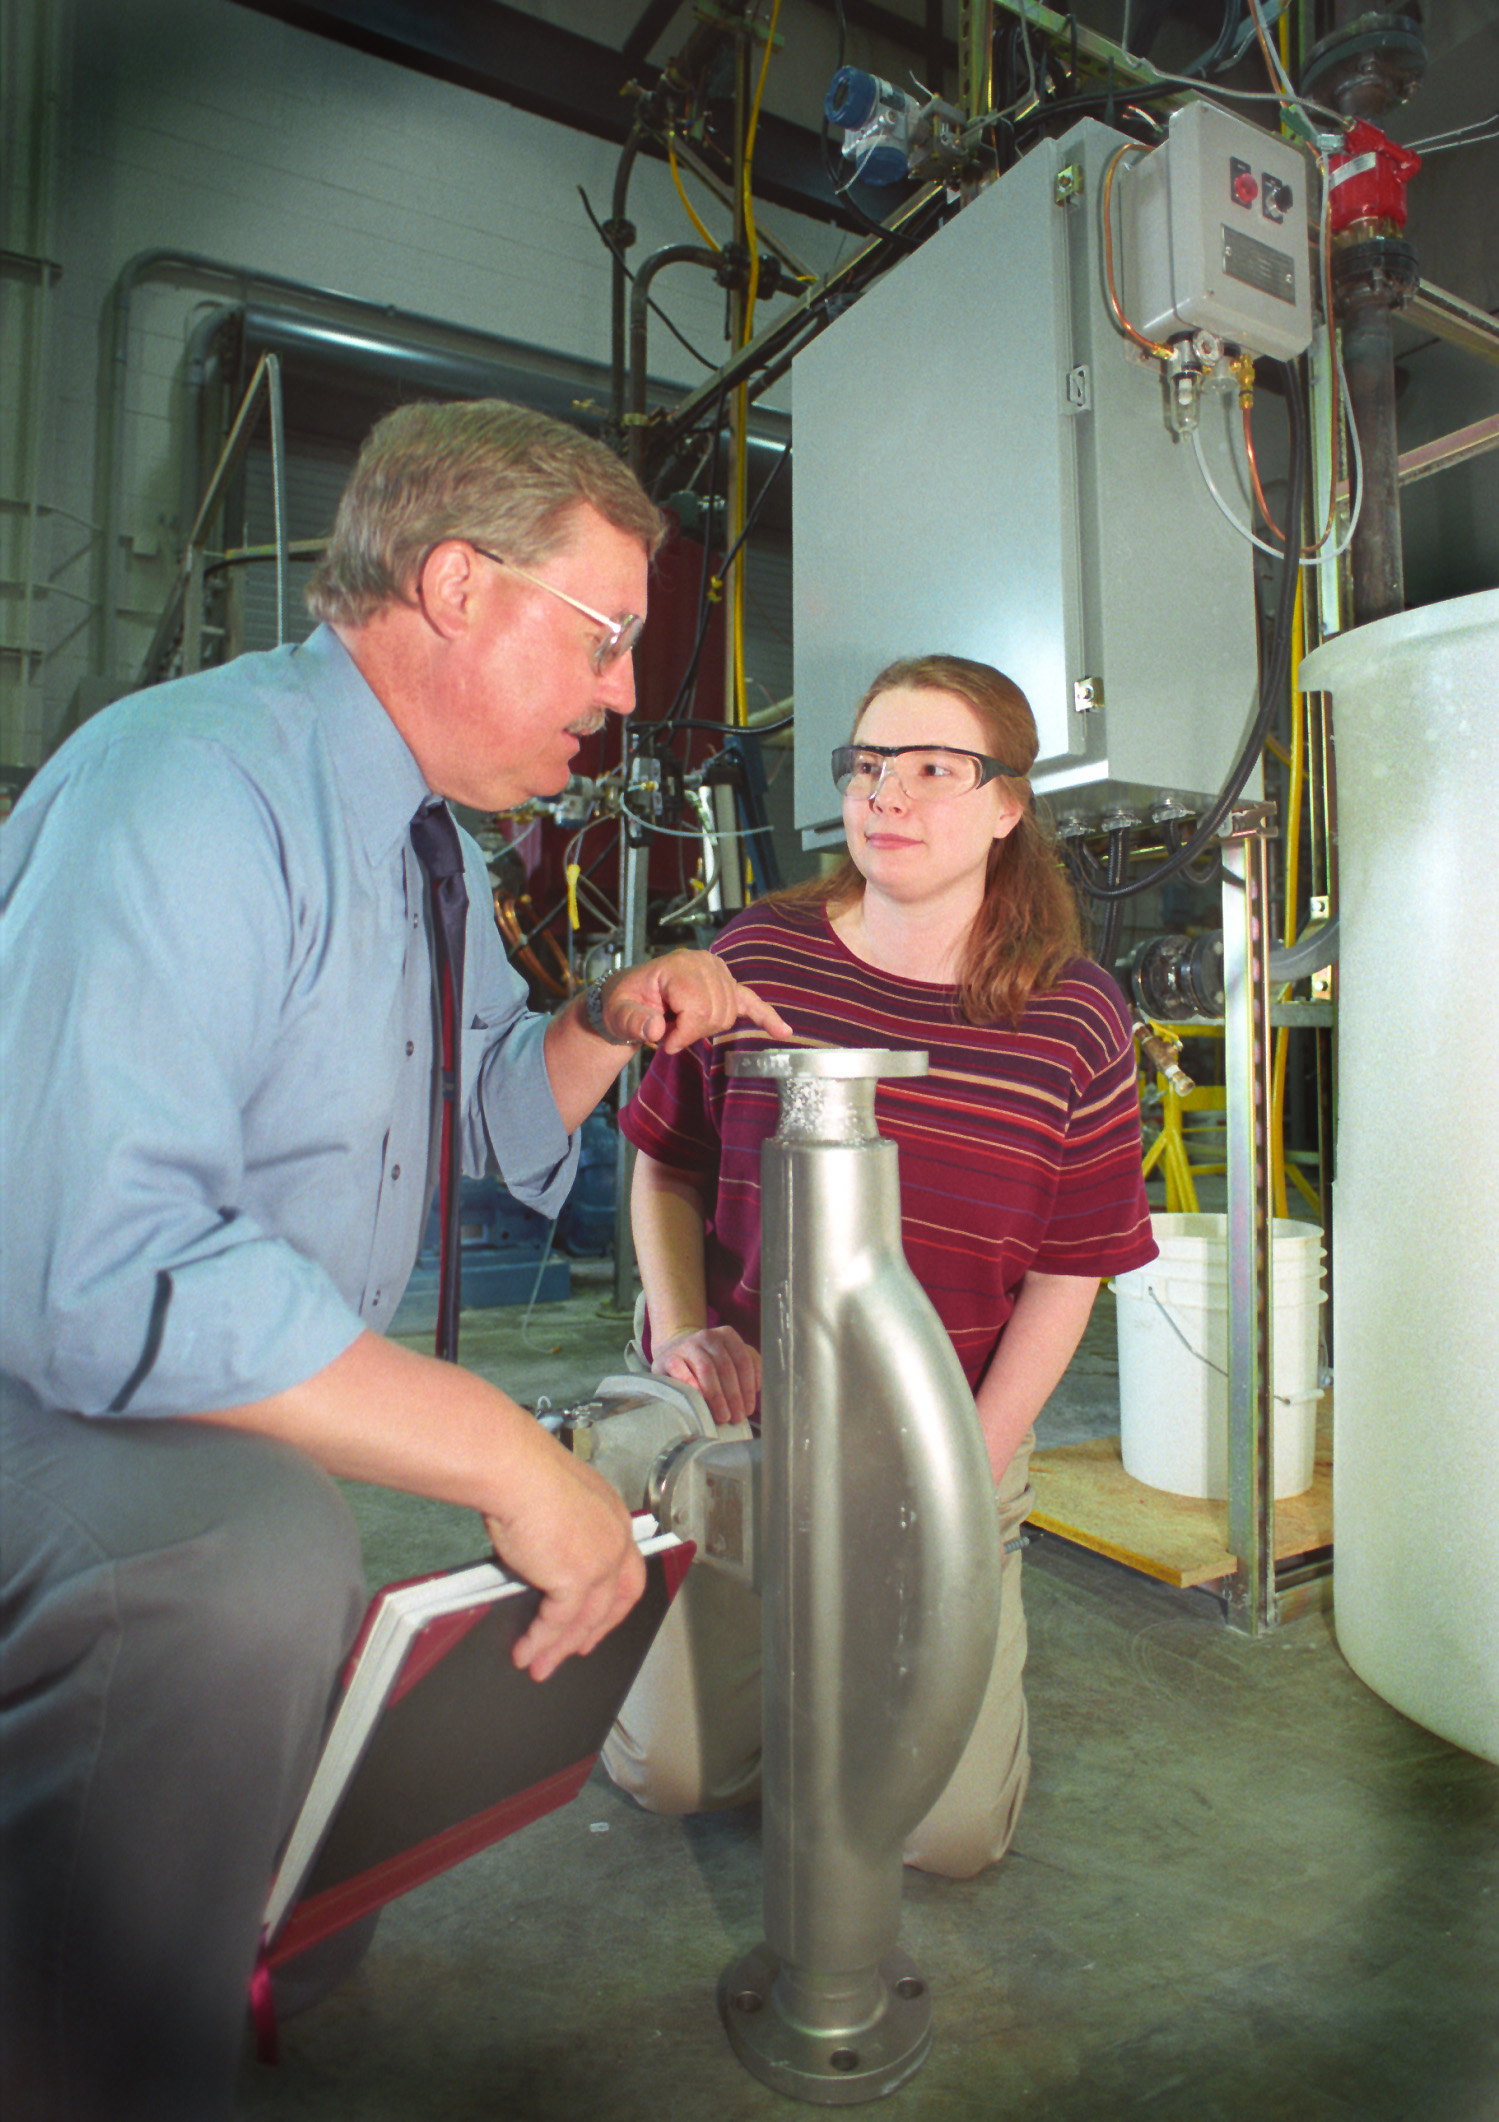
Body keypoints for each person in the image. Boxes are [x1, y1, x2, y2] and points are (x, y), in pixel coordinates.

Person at [0, 397, 791, 2122]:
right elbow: (91, 1266)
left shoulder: (427, 846)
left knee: (319, 1751)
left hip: (193, 1386)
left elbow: (492, 1122)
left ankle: (222, 1906)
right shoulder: (192, 788)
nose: (613, 691)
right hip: (37, 1385)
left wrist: (604, 1016)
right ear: (452, 584)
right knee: (232, 1559)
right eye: (598, 638)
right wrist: (499, 1445)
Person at [603, 652, 1156, 1875]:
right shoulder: (757, 956)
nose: (884, 797)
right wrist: (682, 1329)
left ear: (1009, 803)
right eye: (864, 767)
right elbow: (664, 1166)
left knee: (936, 1836)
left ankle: (910, 1644)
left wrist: (967, 1462)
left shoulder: (1072, 1015)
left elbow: (1072, 1265)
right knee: (672, 1775)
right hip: (743, 1427)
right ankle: (740, 1626)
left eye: (930, 770)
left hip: (936, 1433)